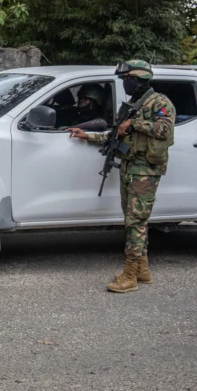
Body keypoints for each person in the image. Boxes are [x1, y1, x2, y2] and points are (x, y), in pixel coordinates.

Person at [68, 60, 175, 293]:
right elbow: (116, 134)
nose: (124, 83)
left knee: (135, 222)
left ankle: (129, 276)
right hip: (129, 167)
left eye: (127, 79)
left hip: (145, 171)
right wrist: (87, 136)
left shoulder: (160, 102)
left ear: (138, 80)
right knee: (134, 220)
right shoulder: (131, 104)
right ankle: (142, 270)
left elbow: (165, 130)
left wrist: (134, 123)